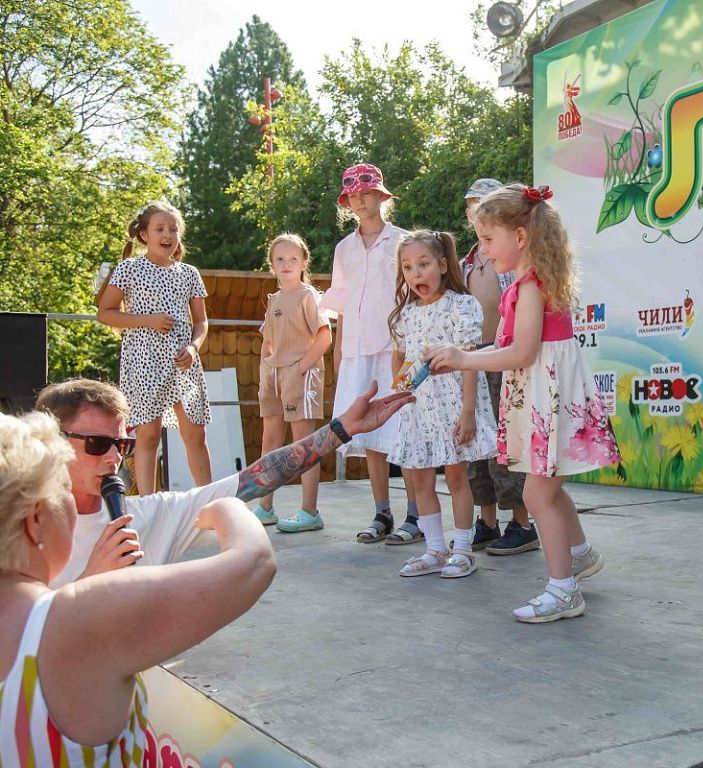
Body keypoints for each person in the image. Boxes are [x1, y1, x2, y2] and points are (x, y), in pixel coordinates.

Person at [0, 410, 275, 763]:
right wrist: (229, 509)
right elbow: (254, 563)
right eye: (63, 489)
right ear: (36, 519)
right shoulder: (76, 619)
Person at [425, 184, 620, 623]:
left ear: (520, 236)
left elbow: (523, 352)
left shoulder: (532, 285)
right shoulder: (525, 283)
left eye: (488, 239)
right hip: (541, 395)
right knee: (548, 486)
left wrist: (463, 358)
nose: (483, 250)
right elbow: (509, 346)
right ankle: (580, 554)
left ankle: (563, 590)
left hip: (549, 396)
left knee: (536, 493)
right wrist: (459, 355)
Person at [35, 378, 413, 589]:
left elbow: (253, 481)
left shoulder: (144, 517)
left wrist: (340, 430)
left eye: (122, 445)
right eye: (97, 444)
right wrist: (90, 580)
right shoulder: (19, 529)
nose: (113, 458)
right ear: (51, 442)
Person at [387, 230, 497, 578]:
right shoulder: (405, 314)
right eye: (408, 267)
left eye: (424, 264)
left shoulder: (461, 306)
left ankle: (462, 550)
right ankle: (434, 549)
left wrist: (468, 412)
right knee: (420, 480)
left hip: (453, 406)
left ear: (444, 265)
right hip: (419, 409)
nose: (416, 273)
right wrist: (398, 395)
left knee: (456, 477)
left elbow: (469, 361)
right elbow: (400, 357)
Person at [320, 163, 421, 545]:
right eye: (353, 196)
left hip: (394, 348)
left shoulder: (403, 241)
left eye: (367, 193)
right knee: (369, 429)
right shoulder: (343, 249)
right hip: (356, 351)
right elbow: (342, 304)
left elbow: (414, 295)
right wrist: (339, 353)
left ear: (381, 196)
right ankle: (382, 512)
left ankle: (416, 514)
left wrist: (410, 350)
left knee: (402, 431)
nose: (360, 201)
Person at [97, 201, 212, 495]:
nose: (167, 235)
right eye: (160, 229)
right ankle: (149, 503)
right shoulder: (129, 268)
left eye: (173, 229)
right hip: (144, 361)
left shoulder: (189, 273)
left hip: (183, 362)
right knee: (148, 437)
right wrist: (147, 320)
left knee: (195, 435)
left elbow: (201, 322)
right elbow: (105, 313)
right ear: (144, 234)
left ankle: (209, 500)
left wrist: (194, 348)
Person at [460, 178, 538, 555]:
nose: (475, 209)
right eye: (471, 204)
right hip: (472, 359)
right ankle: (487, 521)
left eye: (483, 203)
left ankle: (521, 523)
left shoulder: (513, 261)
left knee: (505, 443)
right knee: (475, 443)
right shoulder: (465, 262)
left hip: (503, 360)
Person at [251, 233, 333, 533]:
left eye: (293, 258)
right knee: (269, 440)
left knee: (304, 444)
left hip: (300, 374)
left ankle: (309, 511)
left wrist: (300, 368)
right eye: (280, 259)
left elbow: (325, 336)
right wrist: (266, 365)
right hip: (273, 375)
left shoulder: (309, 296)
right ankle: (265, 507)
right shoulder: (274, 299)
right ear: (272, 264)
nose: (286, 263)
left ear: (303, 262)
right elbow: (268, 339)